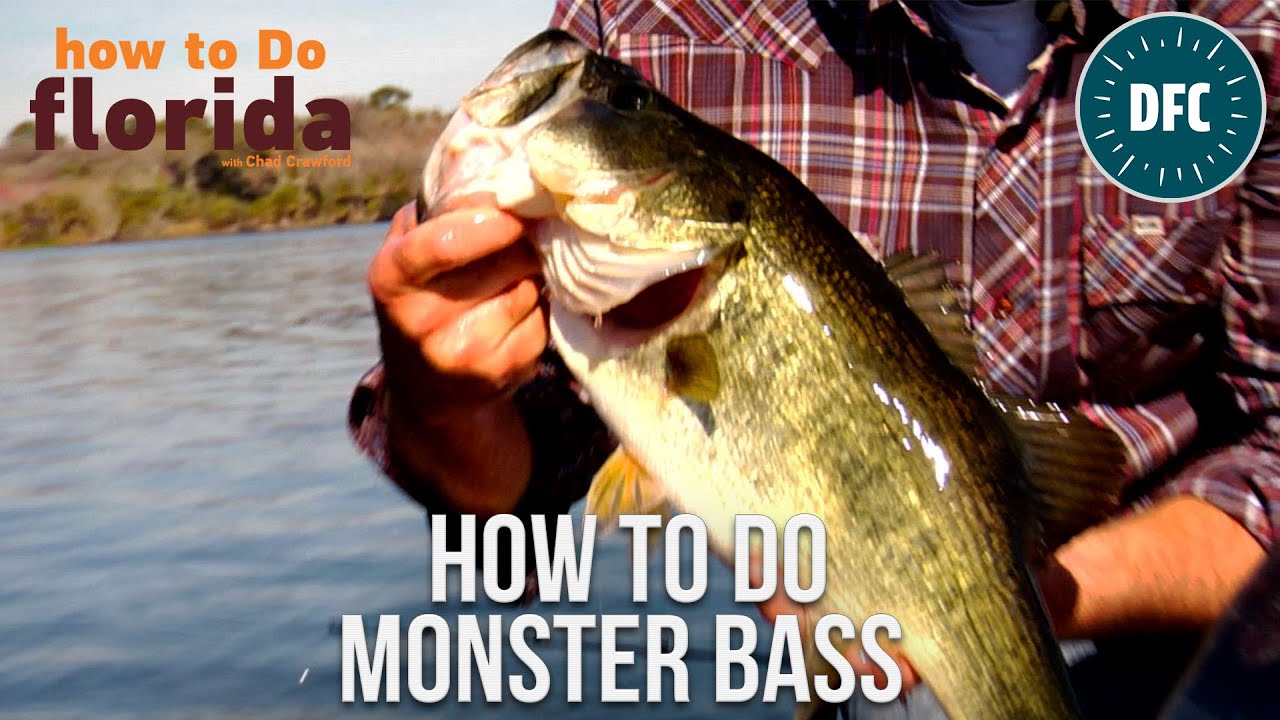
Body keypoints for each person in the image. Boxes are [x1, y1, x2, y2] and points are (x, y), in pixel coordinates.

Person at [350, 0, 1278, 716]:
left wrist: (991, 604)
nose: (601, 103)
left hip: (1201, 642)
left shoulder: (1245, 29)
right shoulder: (650, 25)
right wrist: (445, 402)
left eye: (623, 106)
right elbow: (513, 501)